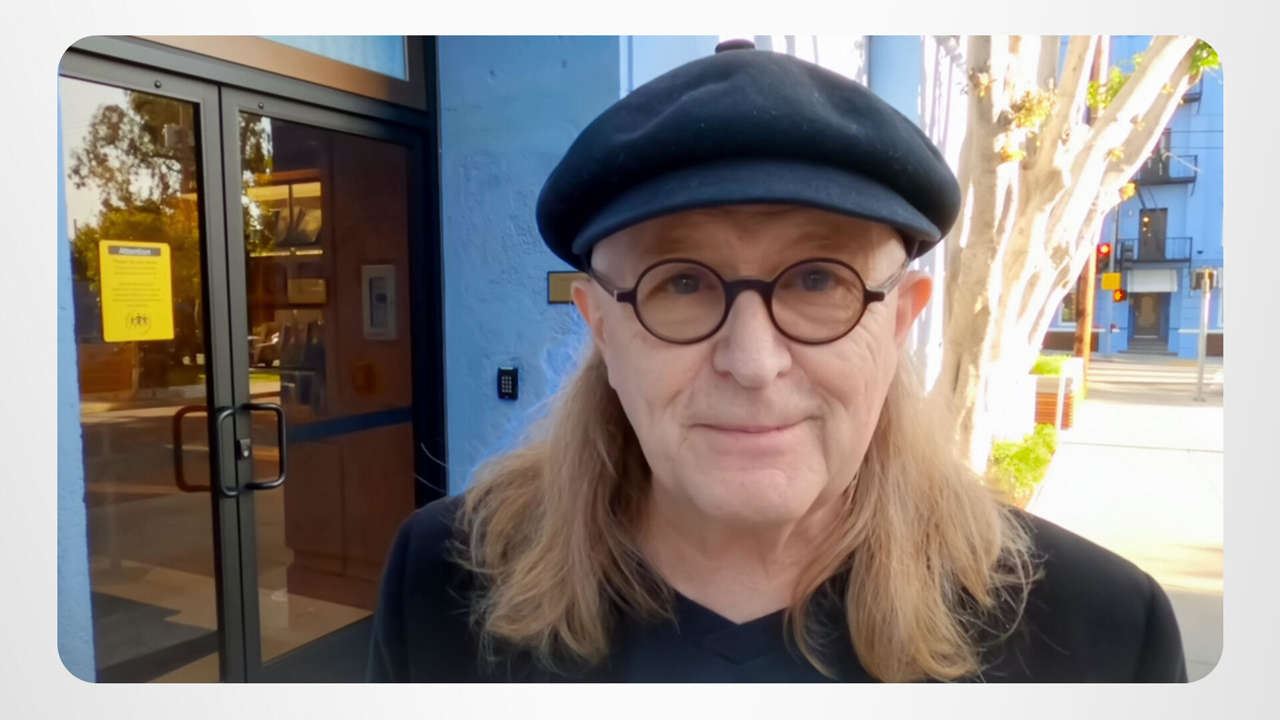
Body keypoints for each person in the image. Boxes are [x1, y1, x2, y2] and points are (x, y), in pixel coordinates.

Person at [368, 41, 1186, 683]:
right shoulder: (445, 585)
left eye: (819, 280)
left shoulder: (1100, 638)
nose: (753, 363)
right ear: (602, 330)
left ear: (900, 321)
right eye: (682, 282)